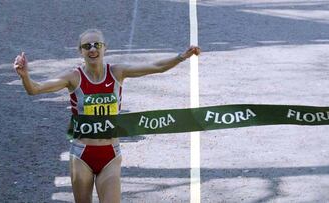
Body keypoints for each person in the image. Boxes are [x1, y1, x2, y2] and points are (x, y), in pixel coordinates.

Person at [13, 28, 200, 203]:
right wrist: (24, 76)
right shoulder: (73, 78)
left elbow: (155, 66)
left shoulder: (117, 72)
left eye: (97, 45)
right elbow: (35, 89)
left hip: (110, 154)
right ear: (81, 51)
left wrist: (181, 56)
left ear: (105, 48)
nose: (92, 49)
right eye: (87, 46)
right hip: (81, 154)